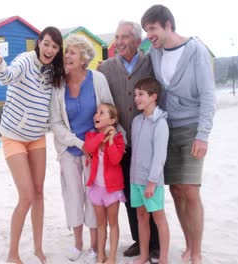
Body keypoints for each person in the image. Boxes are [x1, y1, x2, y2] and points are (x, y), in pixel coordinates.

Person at [141, 5, 216, 264]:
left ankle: (196, 251)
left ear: (168, 26)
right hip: (167, 127)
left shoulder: (195, 50)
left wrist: (203, 134)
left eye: (152, 29)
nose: (149, 34)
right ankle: (187, 244)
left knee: (190, 190)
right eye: (146, 30)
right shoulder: (155, 52)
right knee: (175, 190)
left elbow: (208, 94)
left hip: (193, 127)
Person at [0, 26, 65, 264]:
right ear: (39, 42)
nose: (50, 49)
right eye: (46, 43)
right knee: (26, 195)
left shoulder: (53, 71)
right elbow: (6, 77)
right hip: (13, 136)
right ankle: (13, 254)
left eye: (54, 46)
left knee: (40, 192)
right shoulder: (25, 60)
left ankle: (38, 248)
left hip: (36, 137)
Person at [49, 34, 115, 263]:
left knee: (93, 197)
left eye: (72, 52)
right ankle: (78, 245)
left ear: (84, 59)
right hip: (69, 150)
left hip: (96, 151)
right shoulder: (58, 85)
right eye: (67, 52)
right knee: (73, 196)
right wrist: (80, 144)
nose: (66, 56)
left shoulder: (97, 80)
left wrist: (97, 142)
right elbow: (55, 124)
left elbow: (109, 110)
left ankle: (95, 247)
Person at [98, 20, 160, 259]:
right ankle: (138, 240)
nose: (120, 41)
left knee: (149, 194)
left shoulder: (150, 64)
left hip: (147, 142)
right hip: (121, 143)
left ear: (137, 41)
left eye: (125, 37)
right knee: (129, 194)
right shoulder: (106, 68)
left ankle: (154, 243)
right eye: (117, 36)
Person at [129, 77, 170, 264]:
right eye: (135, 94)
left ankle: (163, 258)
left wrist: (152, 182)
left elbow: (159, 156)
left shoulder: (160, 124)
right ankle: (144, 255)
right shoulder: (137, 121)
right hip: (135, 180)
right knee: (141, 217)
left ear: (153, 97)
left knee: (158, 218)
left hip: (152, 182)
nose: (136, 98)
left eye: (141, 94)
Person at [84, 103, 126, 264]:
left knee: (113, 223)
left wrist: (110, 141)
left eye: (102, 113)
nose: (96, 115)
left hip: (112, 189)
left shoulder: (119, 139)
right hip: (97, 188)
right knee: (101, 224)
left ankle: (112, 257)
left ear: (112, 120)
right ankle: (101, 254)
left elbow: (116, 159)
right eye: (96, 112)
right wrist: (102, 136)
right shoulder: (91, 136)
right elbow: (88, 147)